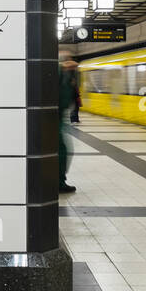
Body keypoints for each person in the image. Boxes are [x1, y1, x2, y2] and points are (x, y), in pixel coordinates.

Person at [58, 55, 77, 193]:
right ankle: (59, 182)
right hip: (55, 118)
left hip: (59, 117)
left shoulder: (66, 75)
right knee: (62, 150)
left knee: (65, 149)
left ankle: (60, 180)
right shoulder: (61, 73)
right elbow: (64, 98)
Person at [68, 59, 81, 123]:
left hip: (75, 94)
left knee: (76, 107)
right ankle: (73, 119)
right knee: (73, 108)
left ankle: (76, 119)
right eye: (75, 66)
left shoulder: (74, 73)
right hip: (72, 94)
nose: (76, 68)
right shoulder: (70, 73)